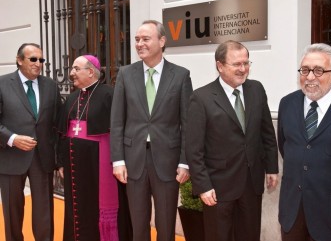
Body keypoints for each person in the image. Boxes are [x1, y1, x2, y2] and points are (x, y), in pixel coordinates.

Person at [185, 40, 279, 241]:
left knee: (249, 234)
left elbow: (267, 132)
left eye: (246, 63)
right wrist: (203, 186)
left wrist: (271, 167)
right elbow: (194, 148)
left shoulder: (256, 89)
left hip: (251, 182)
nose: (243, 69)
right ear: (220, 65)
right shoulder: (201, 98)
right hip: (218, 186)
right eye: (237, 64)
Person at [110, 19, 193, 241]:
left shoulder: (181, 75)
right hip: (133, 159)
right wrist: (118, 160)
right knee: (138, 223)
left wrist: (185, 162)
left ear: (162, 41)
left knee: (166, 224)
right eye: (137, 39)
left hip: (167, 161)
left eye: (145, 39)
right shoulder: (126, 74)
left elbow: (188, 123)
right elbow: (117, 121)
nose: (139, 44)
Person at [278, 43, 331, 241]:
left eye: (319, 70)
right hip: (292, 212)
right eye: (305, 70)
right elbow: (285, 147)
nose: (310, 77)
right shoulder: (287, 103)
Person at [57, 55, 123, 241]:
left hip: (98, 164)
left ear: (91, 71)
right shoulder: (71, 98)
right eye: (72, 69)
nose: (71, 73)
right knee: (76, 205)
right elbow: (63, 133)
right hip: (73, 164)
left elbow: (118, 130)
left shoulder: (109, 94)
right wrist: (61, 162)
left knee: (95, 205)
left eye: (76, 69)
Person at [0, 43, 62, 241]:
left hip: (42, 158)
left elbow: (56, 122)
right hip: (10, 157)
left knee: (44, 210)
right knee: (12, 209)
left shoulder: (50, 85)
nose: (38, 64)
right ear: (19, 60)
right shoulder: (2, 83)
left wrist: (58, 158)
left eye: (41, 60)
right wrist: (12, 138)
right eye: (33, 59)